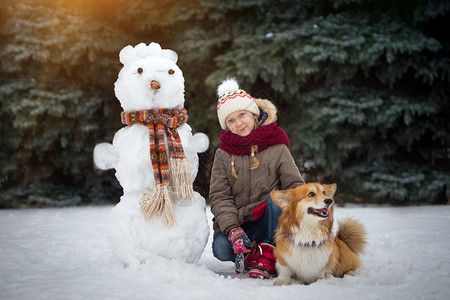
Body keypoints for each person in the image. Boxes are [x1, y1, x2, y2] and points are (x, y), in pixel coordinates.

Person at [209, 78, 305, 279]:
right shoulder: (223, 154)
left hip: (272, 221)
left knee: (278, 197)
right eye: (231, 120)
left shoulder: (276, 145)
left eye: (242, 115)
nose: (239, 123)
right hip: (243, 223)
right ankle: (254, 253)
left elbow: (296, 186)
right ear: (226, 126)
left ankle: (269, 250)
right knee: (220, 248)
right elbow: (220, 196)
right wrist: (233, 229)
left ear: (253, 114)